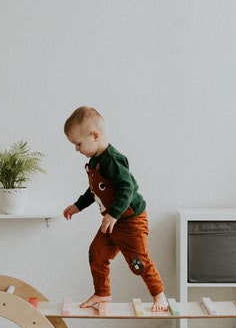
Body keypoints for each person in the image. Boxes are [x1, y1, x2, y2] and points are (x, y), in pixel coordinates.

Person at [62, 106, 168, 312]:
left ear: (94, 135)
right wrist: (77, 206)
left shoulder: (112, 160)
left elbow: (127, 187)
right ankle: (102, 293)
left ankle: (160, 296)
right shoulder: (95, 161)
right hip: (112, 222)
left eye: (78, 144)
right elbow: (95, 189)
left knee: (139, 262)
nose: (77, 149)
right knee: (97, 253)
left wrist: (113, 214)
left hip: (130, 221)